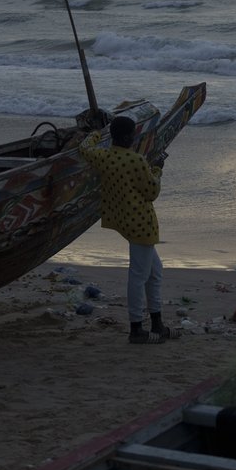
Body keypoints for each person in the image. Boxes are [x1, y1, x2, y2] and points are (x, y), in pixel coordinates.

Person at [78, 116, 173, 344]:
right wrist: (157, 170)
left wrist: (97, 131)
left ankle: (157, 322)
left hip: (125, 222)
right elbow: (152, 191)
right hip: (143, 224)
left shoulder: (104, 156)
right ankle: (136, 328)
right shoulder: (136, 160)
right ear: (130, 136)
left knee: (154, 273)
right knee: (139, 276)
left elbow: (84, 148)